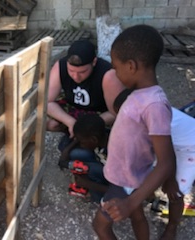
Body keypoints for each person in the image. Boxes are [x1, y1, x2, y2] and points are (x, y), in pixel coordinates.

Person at [92, 24, 177, 240]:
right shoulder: (139, 94)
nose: (114, 73)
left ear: (131, 66)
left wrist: (130, 201)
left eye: (116, 67)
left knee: (100, 226)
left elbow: (166, 161)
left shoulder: (154, 105)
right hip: (125, 174)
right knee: (138, 217)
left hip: (128, 181)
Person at [113, 89, 195, 240]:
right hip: (170, 145)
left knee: (176, 192)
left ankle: (172, 227)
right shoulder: (147, 114)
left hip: (190, 149)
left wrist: (170, 180)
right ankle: (150, 194)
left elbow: (168, 157)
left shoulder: (158, 122)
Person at [46, 39, 124, 139]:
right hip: (72, 109)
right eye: (71, 71)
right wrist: (70, 122)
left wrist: (89, 125)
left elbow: (116, 112)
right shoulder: (60, 66)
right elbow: (47, 102)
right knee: (50, 124)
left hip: (98, 114)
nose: (75, 76)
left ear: (94, 62)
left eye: (82, 72)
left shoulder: (108, 75)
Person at [58, 114, 109, 202]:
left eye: (81, 141)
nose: (80, 144)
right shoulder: (101, 135)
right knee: (76, 154)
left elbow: (121, 189)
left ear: (94, 140)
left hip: (114, 183)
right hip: (102, 165)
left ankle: (96, 194)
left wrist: (88, 184)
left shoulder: (114, 152)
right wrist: (67, 150)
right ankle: (88, 181)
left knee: (88, 169)